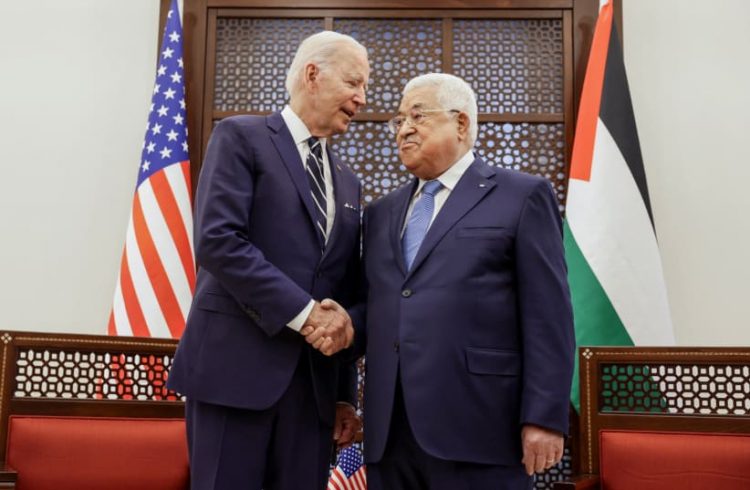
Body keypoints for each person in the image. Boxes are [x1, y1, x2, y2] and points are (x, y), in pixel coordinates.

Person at [306, 73, 575, 490]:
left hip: (481, 429)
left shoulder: (521, 196)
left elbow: (549, 316)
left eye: (418, 115)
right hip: (389, 435)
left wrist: (543, 416)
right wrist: (341, 335)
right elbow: (373, 307)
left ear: (461, 124)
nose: (404, 129)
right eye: (398, 120)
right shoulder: (380, 214)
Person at [168, 31, 369, 490]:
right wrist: (305, 316)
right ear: (312, 74)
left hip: (312, 395)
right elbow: (219, 241)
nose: (362, 98)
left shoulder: (350, 183)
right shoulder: (241, 137)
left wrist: (343, 397)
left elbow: (342, 287)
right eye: (354, 82)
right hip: (234, 376)